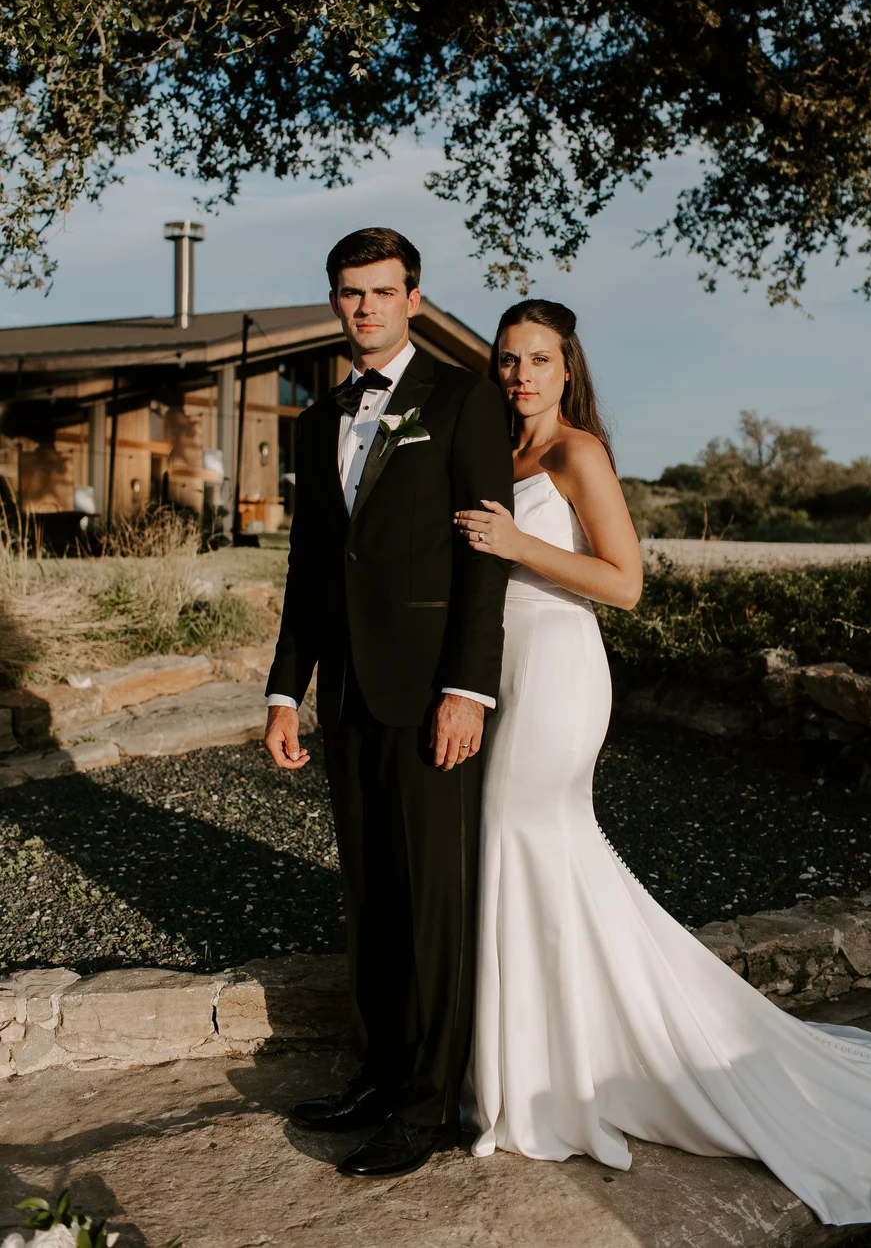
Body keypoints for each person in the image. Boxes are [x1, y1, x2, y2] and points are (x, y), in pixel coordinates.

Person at [455, 298, 871, 1226]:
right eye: (508, 359)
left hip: (556, 671)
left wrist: (517, 543)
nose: (521, 375)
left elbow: (626, 583)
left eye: (538, 359)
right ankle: (545, 1061)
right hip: (505, 668)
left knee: (525, 838)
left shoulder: (578, 453)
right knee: (537, 863)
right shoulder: (500, 452)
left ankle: (556, 1080)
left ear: (566, 366)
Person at [263, 228, 512, 1179]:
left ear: (414, 298)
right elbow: (310, 568)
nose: (364, 306)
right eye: (349, 291)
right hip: (347, 694)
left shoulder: (463, 399)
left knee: (432, 901)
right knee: (370, 893)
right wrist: (286, 690)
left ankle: (428, 1105)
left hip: (430, 692)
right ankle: (376, 1074)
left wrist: (467, 689)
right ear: (335, 299)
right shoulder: (317, 416)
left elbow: (483, 557)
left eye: (381, 291)